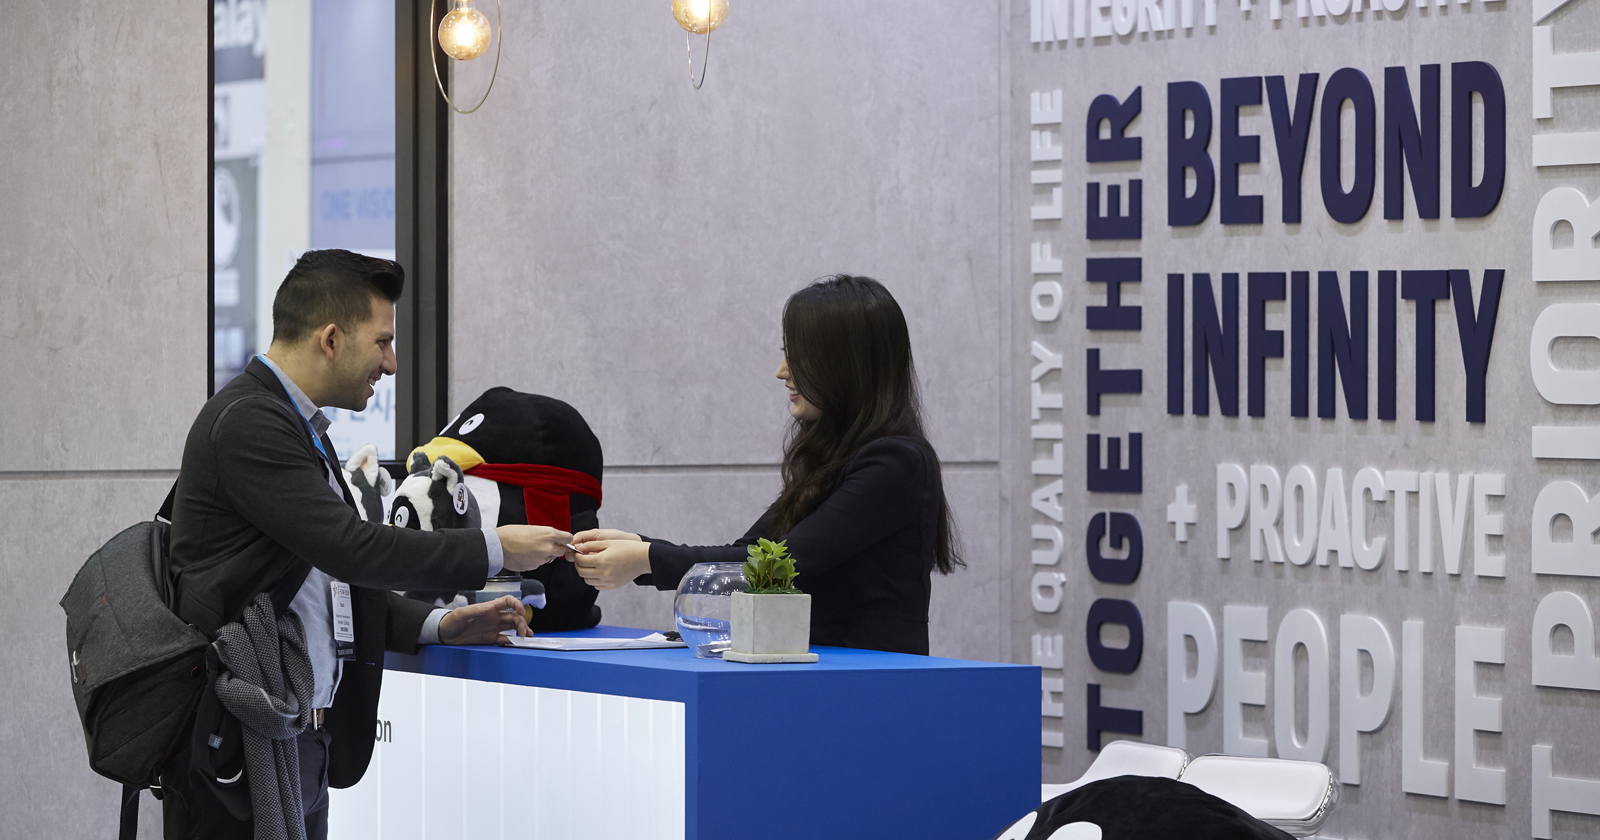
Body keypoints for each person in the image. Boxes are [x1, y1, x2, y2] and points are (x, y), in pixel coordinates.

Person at [164, 250, 572, 839]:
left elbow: (329, 582)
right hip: (242, 747)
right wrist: (496, 549)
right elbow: (354, 550)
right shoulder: (251, 422)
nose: (392, 363)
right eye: (382, 342)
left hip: (289, 741)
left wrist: (438, 624)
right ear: (331, 339)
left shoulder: (293, 424)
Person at [570, 274, 962, 655]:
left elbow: (776, 566)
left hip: (870, 681)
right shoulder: (834, 457)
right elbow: (748, 551)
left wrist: (646, 557)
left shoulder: (895, 464)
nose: (782, 372)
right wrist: (640, 548)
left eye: (797, 357)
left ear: (845, 364)